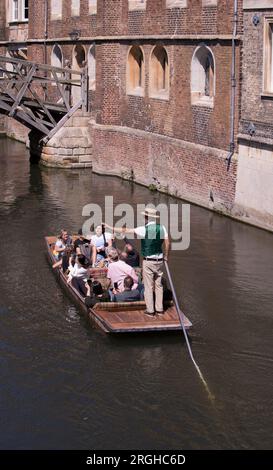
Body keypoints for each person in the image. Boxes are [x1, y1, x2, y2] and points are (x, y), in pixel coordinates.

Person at [104, 207, 170, 316]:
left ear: (146, 217)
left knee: (148, 286)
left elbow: (124, 230)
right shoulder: (162, 227)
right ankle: (160, 309)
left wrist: (109, 226)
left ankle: (150, 311)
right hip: (159, 260)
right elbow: (167, 243)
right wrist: (166, 256)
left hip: (148, 261)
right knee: (159, 285)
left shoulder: (143, 229)